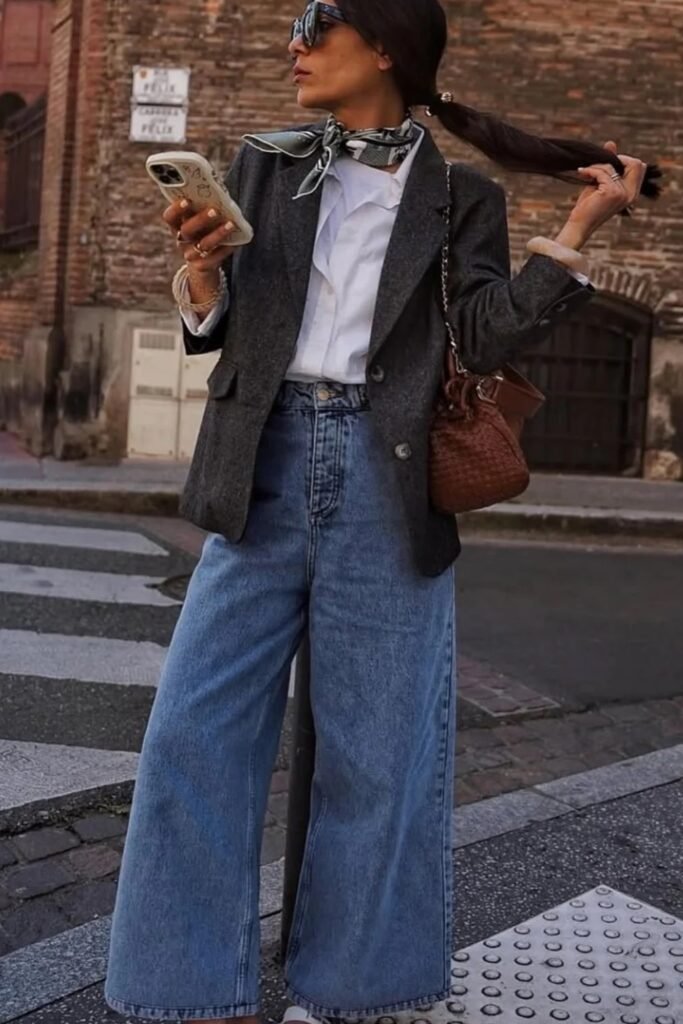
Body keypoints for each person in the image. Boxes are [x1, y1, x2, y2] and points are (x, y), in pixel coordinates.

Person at [104, 2, 653, 1023]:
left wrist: (575, 234)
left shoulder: (459, 197)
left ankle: (349, 988)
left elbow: (483, 337)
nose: (294, 44)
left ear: (386, 44)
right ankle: (184, 991)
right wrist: (198, 273)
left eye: (318, 22)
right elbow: (227, 322)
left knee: (376, 750)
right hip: (261, 468)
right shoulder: (264, 165)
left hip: (381, 473)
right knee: (193, 732)